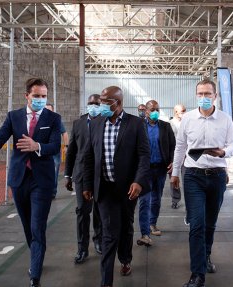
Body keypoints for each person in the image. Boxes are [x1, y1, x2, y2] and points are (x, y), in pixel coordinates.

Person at [0, 78, 61, 287]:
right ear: (27, 96)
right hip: (19, 180)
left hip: (42, 181)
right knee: (27, 226)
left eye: (44, 96)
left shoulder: (53, 118)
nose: (41, 100)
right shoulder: (13, 117)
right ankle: (36, 256)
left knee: (37, 227)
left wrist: (37, 145)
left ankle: (35, 276)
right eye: (37, 96)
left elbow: (55, 146)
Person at [171, 79, 233, 287]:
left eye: (208, 94)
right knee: (197, 224)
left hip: (217, 175)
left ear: (215, 96)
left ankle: (206, 255)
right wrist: (175, 173)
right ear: (196, 95)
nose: (204, 97)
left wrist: (224, 153)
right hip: (193, 176)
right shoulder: (188, 119)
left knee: (210, 223)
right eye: (200, 94)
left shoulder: (225, 120)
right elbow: (180, 147)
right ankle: (197, 274)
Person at [83, 86, 150, 287]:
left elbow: (144, 155)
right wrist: (87, 184)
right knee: (109, 232)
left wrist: (138, 181)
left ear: (118, 103)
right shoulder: (95, 123)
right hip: (104, 189)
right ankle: (106, 281)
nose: (101, 105)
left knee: (126, 227)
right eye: (101, 100)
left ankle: (126, 259)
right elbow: (88, 156)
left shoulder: (136, 124)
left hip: (129, 189)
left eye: (106, 101)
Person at [64, 94, 103, 264]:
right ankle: (82, 248)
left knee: (100, 211)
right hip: (80, 175)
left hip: (100, 175)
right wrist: (68, 175)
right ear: (86, 105)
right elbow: (71, 150)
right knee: (82, 211)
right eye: (91, 103)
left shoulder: (105, 122)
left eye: (96, 103)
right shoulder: (78, 123)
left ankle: (99, 240)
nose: (93, 106)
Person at [136, 100, 175, 247]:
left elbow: (173, 145)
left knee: (156, 198)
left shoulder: (165, 126)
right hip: (144, 169)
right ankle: (145, 233)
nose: (155, 112)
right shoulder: (139, 126)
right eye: (152, 109)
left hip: (160, 168)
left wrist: (172, 161)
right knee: (144, 200)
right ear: (146, 111)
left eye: (157, 109)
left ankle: (153, 223)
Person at [45, 103, 69, 199]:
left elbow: (65, 133)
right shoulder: (39, 121)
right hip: (42, 151)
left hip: (54, 152)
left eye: (49, 110)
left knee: (54, 173)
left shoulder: (57, 121)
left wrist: (66, 146)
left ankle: (52, 192)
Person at [168, 104, 186, 209]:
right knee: (174, 178)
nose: (184, 112)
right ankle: (175, 200)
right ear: (176, 112)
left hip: (186, 155)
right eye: (182, 111)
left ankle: (190, 199)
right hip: (173, 155)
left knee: (187, 177)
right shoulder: (169, 124)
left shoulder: (187, 123)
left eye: (185, 110)